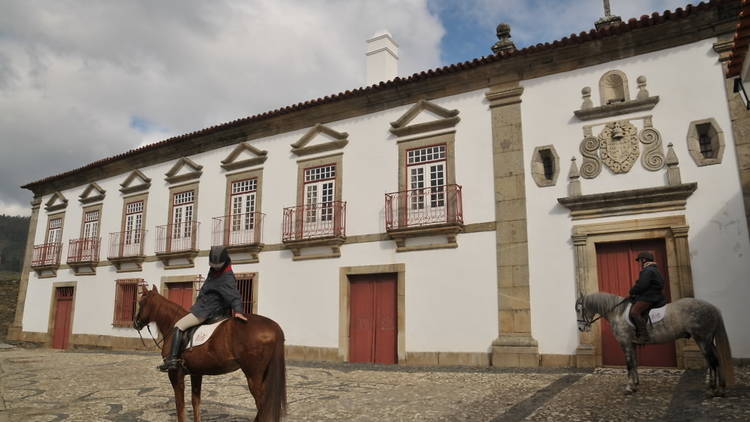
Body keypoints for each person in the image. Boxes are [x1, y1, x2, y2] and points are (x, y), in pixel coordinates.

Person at [158, 246, 248, 372]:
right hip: (205, 307)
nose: (216, 266)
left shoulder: (226, 276)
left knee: (179, 326)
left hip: (206, 311)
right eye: (214, 264)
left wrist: (238, 311)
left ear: (225, 261)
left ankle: (172, 360)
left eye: (218, 265)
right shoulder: (215, 271)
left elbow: (234, 295)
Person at [628, 251, 666, 343]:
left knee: (634, 312)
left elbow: (642, 285)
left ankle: (644, 336)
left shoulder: (648, 270)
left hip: (650, 297)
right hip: (656, 296)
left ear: (644, 260)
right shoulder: (655, 269)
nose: (639, 263)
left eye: (640, 261)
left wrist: (632, 291)